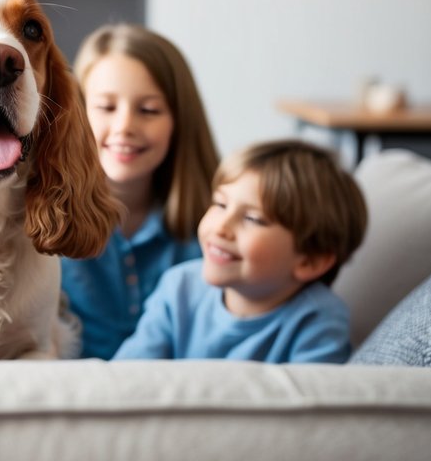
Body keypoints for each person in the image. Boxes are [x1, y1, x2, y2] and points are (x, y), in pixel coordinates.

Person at [112, 139, 367, 363]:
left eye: (253, 219)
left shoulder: (318, 320)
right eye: (220, 204)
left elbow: (318, 411)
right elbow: (125, 380)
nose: (221, 227)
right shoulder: (178, 288)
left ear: (310, 261)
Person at [60, 24, 219, 359]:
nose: (125, 127)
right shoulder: (39, 228)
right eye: (105, 107)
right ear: (76, 113)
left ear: (179, 121)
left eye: (148, 110)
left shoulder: (215, 229)